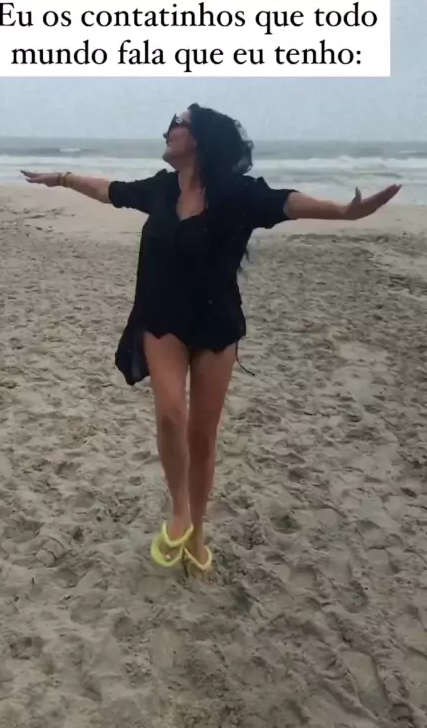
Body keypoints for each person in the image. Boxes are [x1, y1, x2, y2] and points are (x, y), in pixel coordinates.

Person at [22, 103, 400, 574]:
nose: (167, 130)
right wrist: (62, 178)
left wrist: (344, 212)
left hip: (216, 325)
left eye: (176, 124)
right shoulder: (161, 189)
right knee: (169, 414)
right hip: (161, 318)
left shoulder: (237, 194)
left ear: (199, 137)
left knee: (202, 436)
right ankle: (180, 510)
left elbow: (286, 202)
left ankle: (197, 533)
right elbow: (108, 190)